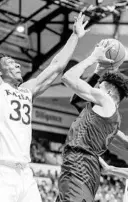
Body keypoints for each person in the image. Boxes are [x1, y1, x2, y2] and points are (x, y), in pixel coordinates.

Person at [0, 12, 89, 202]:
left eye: (15, 62)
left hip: (25, 172)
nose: (16, 64)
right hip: (2, 172)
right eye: (9, 62)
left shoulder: (26, 91)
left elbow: (55, 67)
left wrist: (74, 36)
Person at [55, 40, 128, 202]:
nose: (95, 88)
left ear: (108, 90)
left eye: (98, 86)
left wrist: (93, 57)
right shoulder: (112, 120)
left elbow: (68, 78)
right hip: (85, 169)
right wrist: (97, 72)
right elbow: (77, 100)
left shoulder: (104, 99)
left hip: (79, 166)